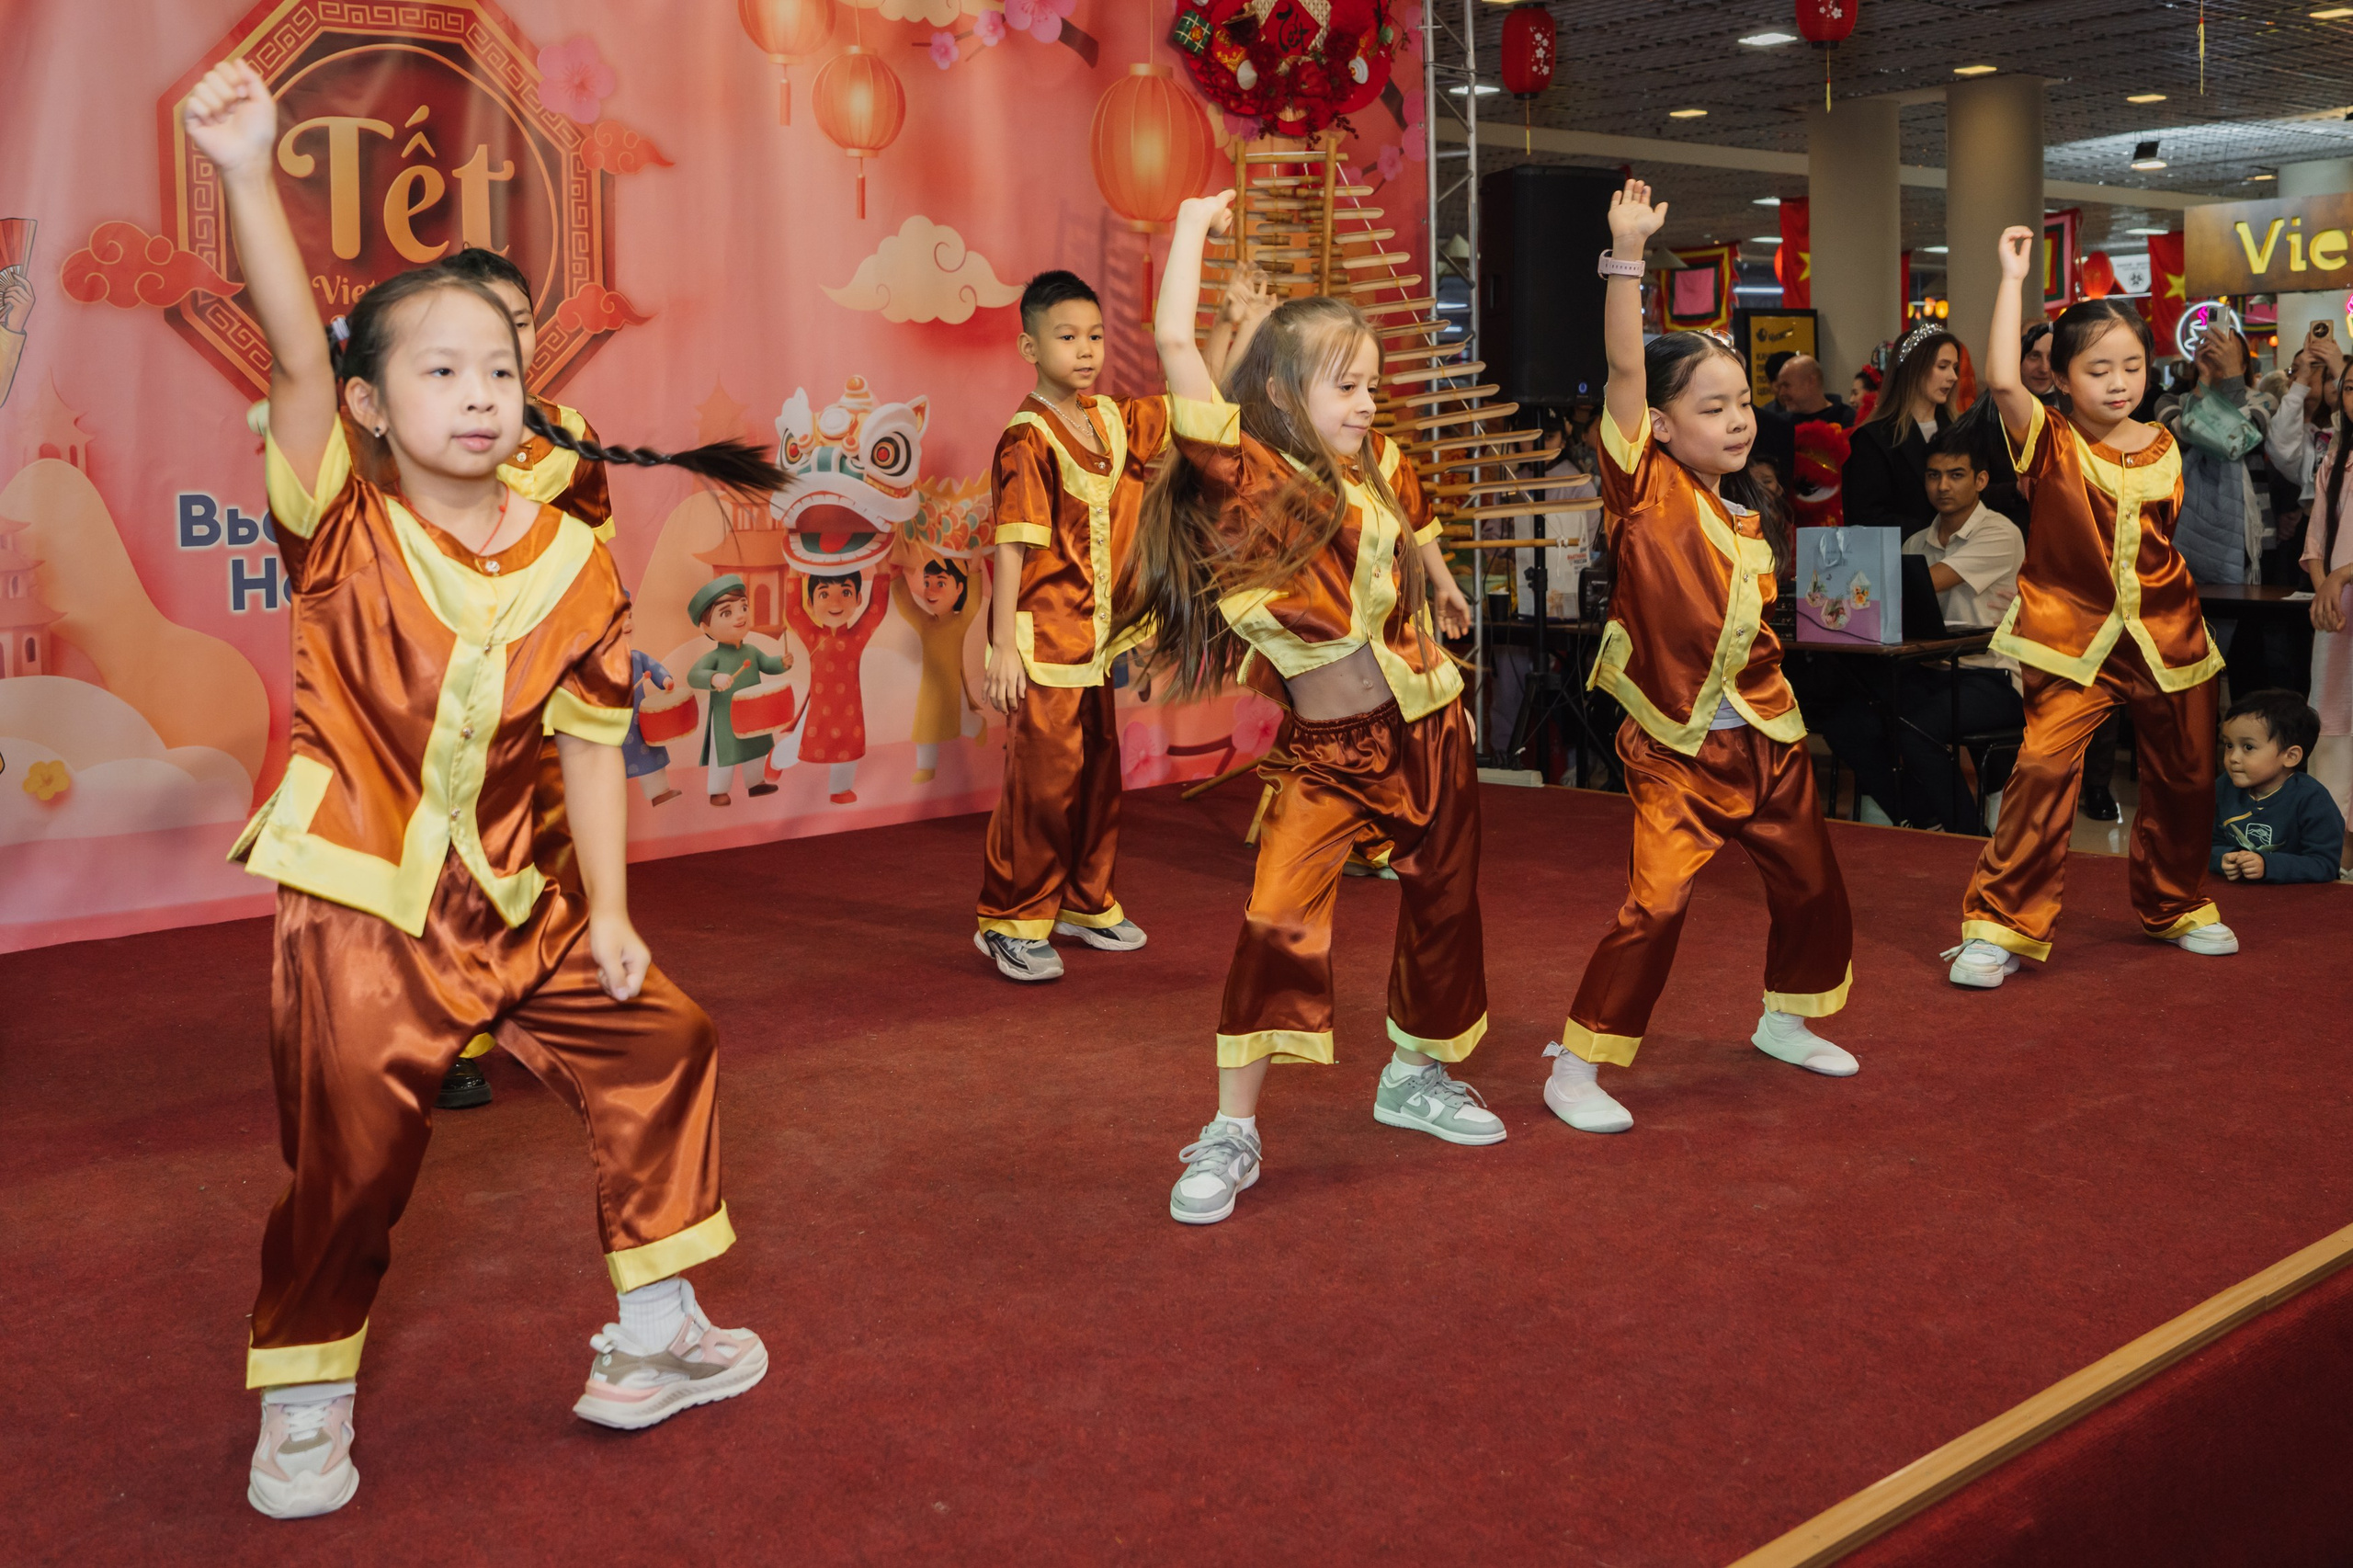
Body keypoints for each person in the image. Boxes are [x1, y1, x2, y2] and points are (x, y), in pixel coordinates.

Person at [184, 59, 779, 1520]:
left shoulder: (576, 551)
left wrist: (618, 908)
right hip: (362, 907)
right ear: (373, 406)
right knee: (353, 1169)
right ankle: (307, 1407)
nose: (477, 393)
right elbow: (294, 356)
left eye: (500, 370)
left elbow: (590, 735)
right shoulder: (339, 520)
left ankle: (650, 1338)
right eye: (438, 371)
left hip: (525, 897)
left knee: (664, 1042)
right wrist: (254, 171)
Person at [1116, 189, 1495, 1224]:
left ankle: (1414, 1072)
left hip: (1430, 723)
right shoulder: (1241, 470)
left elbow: (1408, 521)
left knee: (1443, 906)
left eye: (1374, 383)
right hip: (1327, 750)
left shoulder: (1366, 467)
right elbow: (1171, 344)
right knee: (1276, 918)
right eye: (1347, 384)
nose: (1369, 401)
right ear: (1282, 390)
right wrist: (1191, 224)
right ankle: (1232, 1128)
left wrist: (1443, 576)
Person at [1543, 179, 1858, 1137]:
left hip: (1764, 734)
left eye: (1742, 404)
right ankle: (1580, 1058)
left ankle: (1787, 1017)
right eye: (1710, 406)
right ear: (1662, 425)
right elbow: (1623, 369)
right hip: (1676, 746)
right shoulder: (1640, 486)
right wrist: (1627, 254)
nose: (1736, 420)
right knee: (1658, 901)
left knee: (1812, 883)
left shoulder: (1745, 506)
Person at [1946, 227, 2235, 990]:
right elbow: (2004, 380)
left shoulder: (2168, 442)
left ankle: (2176, 903)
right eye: (2097, 368)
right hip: (2068, 636)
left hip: (2169, 634)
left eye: (2132, 365)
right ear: (2063, 378)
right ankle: (2001, 923)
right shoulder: (2049, 440)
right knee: (2042, 767)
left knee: (2188, 775)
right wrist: (2013, 278)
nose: (2118, 381)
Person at [972, 271, 1172, 982]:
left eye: (1094, 335)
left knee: (1096, 776)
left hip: (1099, 638)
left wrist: (1230, 327)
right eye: (1066, 337)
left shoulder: (1110, 418)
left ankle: (1087, 900)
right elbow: (1011, 544)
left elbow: (1183, 407)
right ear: (1030, 345)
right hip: (1046, 639)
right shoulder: (1025, 437)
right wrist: (1002, 645)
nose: (1085, 350)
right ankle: (1013, 917)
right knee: (1043, 784)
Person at [1808, 428, 2025, 833]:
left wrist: (1837, 581)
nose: (1942, 486)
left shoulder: (2000, 533)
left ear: (1980, 480)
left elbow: (1926, 582)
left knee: (1917, 726)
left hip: (1991, 675)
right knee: (1847, 726)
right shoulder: (1916, 543)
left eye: (1956, 475)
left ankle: (1967, 836)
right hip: (1929, 672)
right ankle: (1924, 817)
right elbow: (1889, 602)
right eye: (1933, 475)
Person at [2211, 689, 2345, 883]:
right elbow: (2206, 846)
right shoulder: (2224, 786)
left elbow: (2324, 865)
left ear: (2290, 756)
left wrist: (2267, 865)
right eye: (2229, 745)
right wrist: (2223, 858)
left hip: (2298, 903)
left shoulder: (2313, 799)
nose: (2233, 758)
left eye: (2248, 747)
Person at [2302, 363, 2353, 851]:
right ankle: (2334, 838)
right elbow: (2315, 539)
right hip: (2337, 610)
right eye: (2352, 386)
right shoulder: (2335, 459)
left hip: (2342, 590)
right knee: (2332, 717)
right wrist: (2323, 586)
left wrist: (2339, 576)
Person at [1842, 329, 1962, 534]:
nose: (1952, 377)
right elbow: (1865, 518)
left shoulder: (1960, 431)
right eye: (1942, 366)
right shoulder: (1873, 438)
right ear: (1913, 369)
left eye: (1955, 367)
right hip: (1902, 560)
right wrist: (1935, 531)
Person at [688, 574, 790, 803]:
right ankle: (718, 789)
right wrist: (714, 678)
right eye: (727, 613)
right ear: (706, 627)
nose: (740, 616)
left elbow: (767, 664)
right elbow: (694, 675)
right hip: (725, 716)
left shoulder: (751, 651)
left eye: (743, 607)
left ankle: (756, 783)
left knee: (756, 747)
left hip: (754, 712)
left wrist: (781, 663)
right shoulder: (713, 657)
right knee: (723, 752)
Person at [1770, 354, 1854, 427]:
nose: (1781, 393)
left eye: (1786, 385)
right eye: (1779, 387)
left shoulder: (1850, 421)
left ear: (1811, 382)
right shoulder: (1780, 425)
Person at [2018, 322, 2058, 403]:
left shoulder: (2073, 406)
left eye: (2051, 357)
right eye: (2034, 356)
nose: (2044, 369)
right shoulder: (1992, 406)